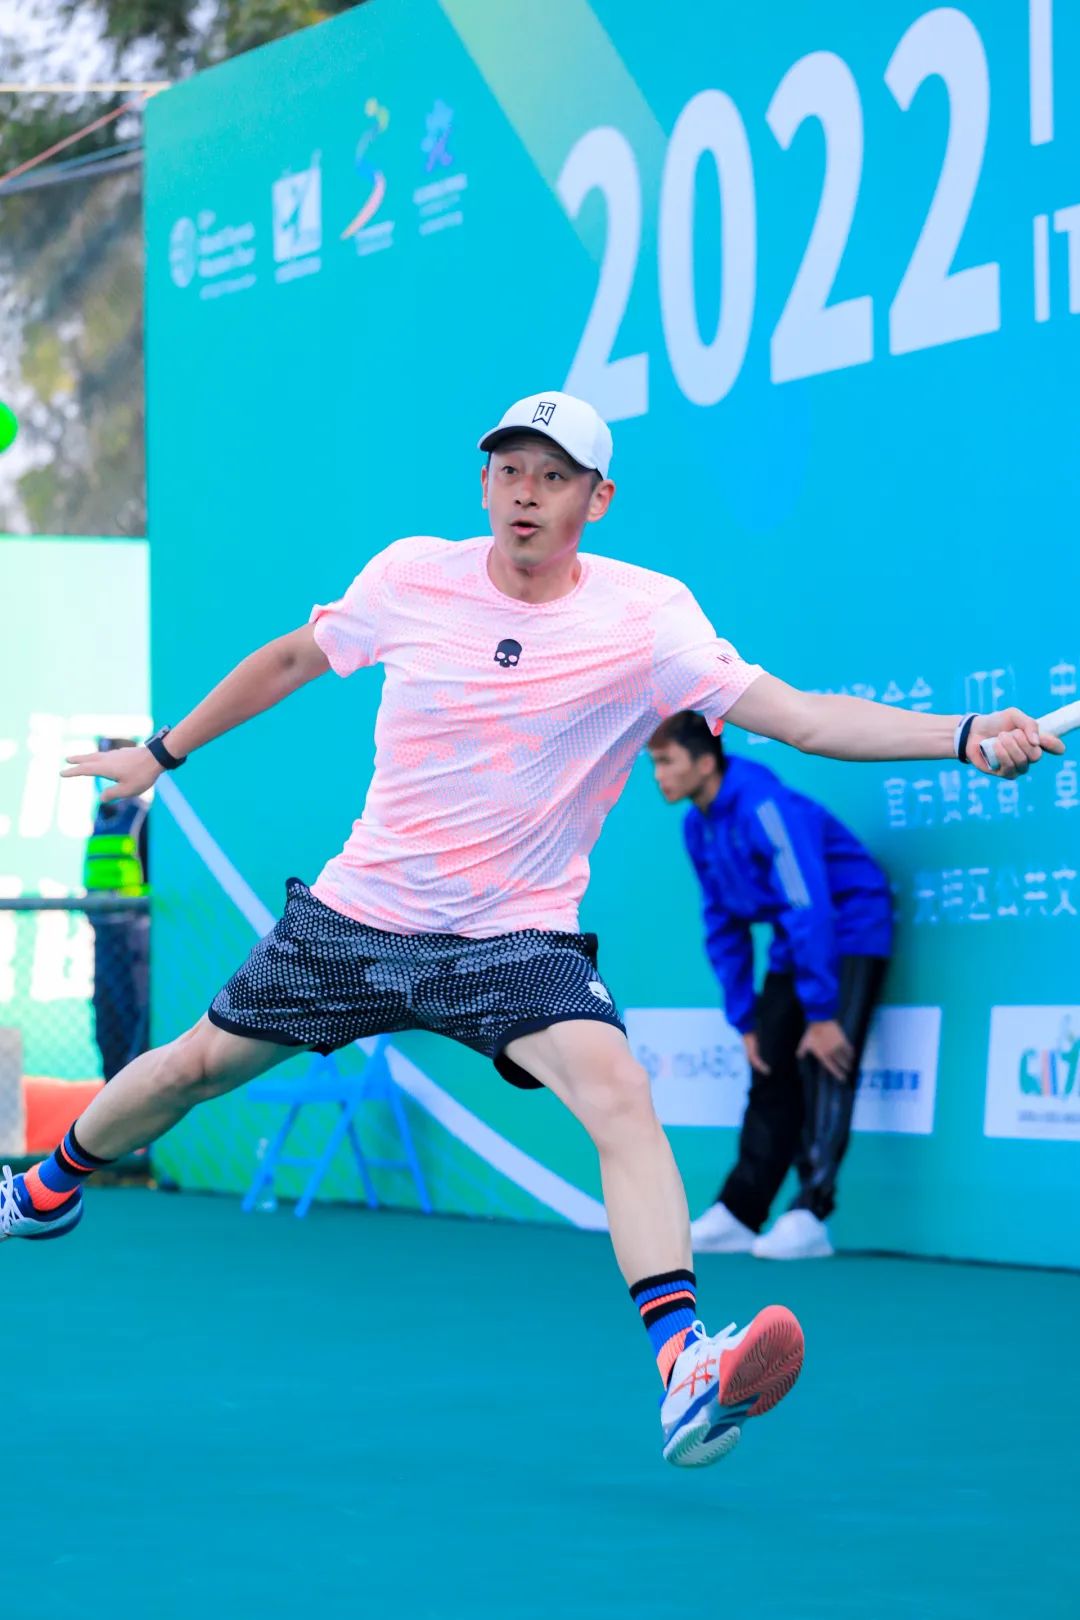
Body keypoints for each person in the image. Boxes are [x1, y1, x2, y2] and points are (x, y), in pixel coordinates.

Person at [0, 390, 1061, 1471]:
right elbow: (288, 661)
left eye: (555, 477)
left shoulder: (649, 619)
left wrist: (962, 733)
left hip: (514, 939)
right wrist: (161, 753)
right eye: (510, 470)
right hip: (362, 914)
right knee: (192, 1068)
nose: (526, 493)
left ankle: (686, 1368)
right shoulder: (411, 575)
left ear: (597, 500)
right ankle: (41, 1190)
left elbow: (800, 717)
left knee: (619, 1092)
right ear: (483, 485)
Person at [649, 711, 893, 1261]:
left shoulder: (763, 805)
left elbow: (809, 904)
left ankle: (811, 1211)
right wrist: (746, 1019)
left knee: (826, 1063)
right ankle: (741, 1211)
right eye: (654, 764)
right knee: (769, 1067)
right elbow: (723, 924)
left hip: (849, 928)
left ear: (705, 762)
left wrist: (823, 1015)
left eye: (666, 761)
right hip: (797, 938)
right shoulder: (697, 826)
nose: (658, 775)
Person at [84, 738, 151, 1082]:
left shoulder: (143, 817)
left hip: (133, 939)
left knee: (132, 1021)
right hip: (104, 936)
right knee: (106, 1020)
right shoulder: (100, 818)